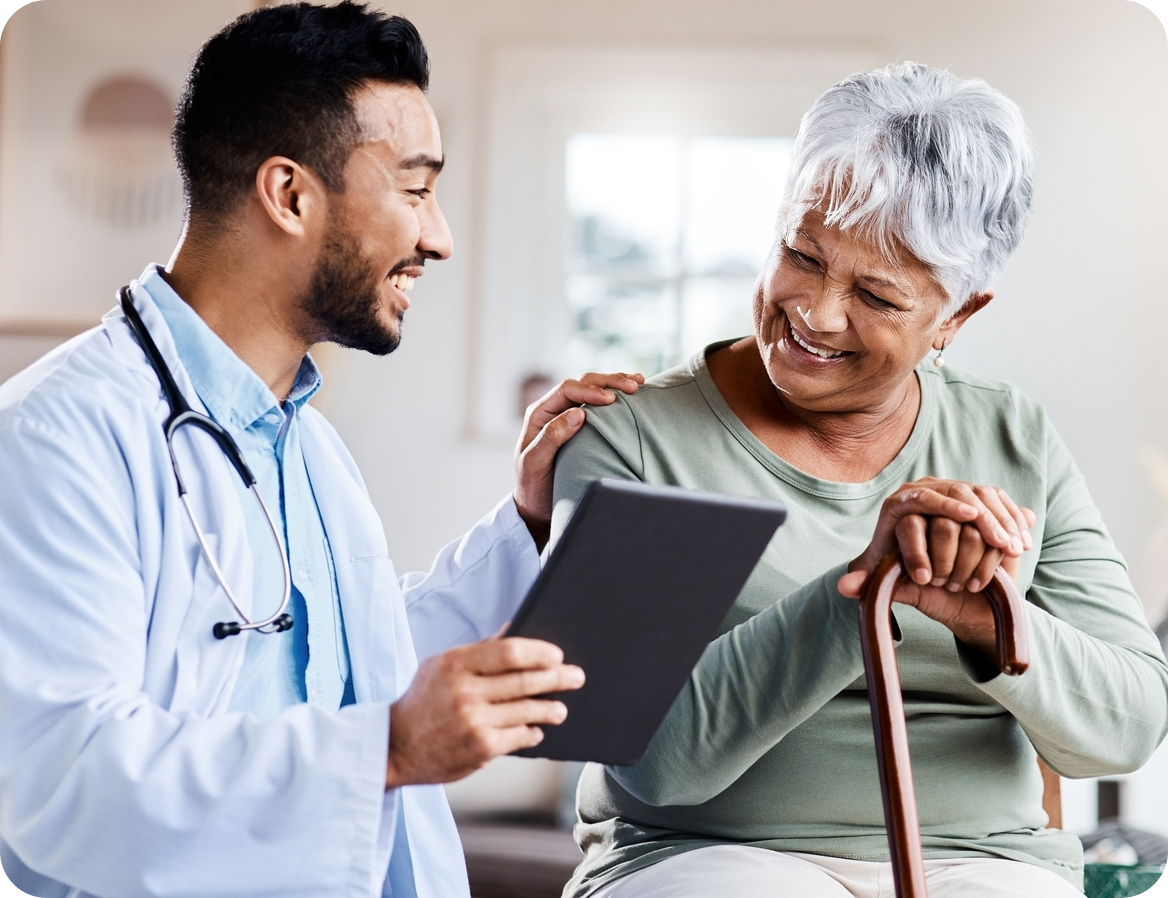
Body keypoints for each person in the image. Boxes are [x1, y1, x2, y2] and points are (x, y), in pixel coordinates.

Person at [0, 4, 643, 897]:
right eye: (416, 190)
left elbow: (359, 667)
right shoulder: (54, 437)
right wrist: (386, 747)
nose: (439, 236)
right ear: (290, 194)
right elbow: (58, 781)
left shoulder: (305, 439)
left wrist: (529, 522)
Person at [550, 62, 1168, 898]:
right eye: (801, 254)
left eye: (877, 295)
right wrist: (859, 593)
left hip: (983, 862)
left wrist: (994, 621)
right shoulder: (637, 438)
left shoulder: (1009, 434)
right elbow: (651, 761)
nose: (817, 312)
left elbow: (1128, 726)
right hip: (704, 859)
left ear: (957, 315)